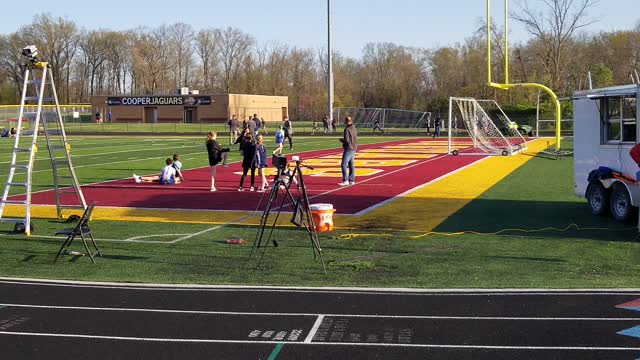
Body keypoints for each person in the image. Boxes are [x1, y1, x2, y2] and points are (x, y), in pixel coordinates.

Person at [338, 116, 357, 186]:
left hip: (348, 148)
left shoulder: (347, 129)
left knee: (343, 165)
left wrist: (342, 141)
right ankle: (352, 180)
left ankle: (345, 180)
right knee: (351, 164)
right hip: (354, 148)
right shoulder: (354, 128)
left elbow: (347, 140)